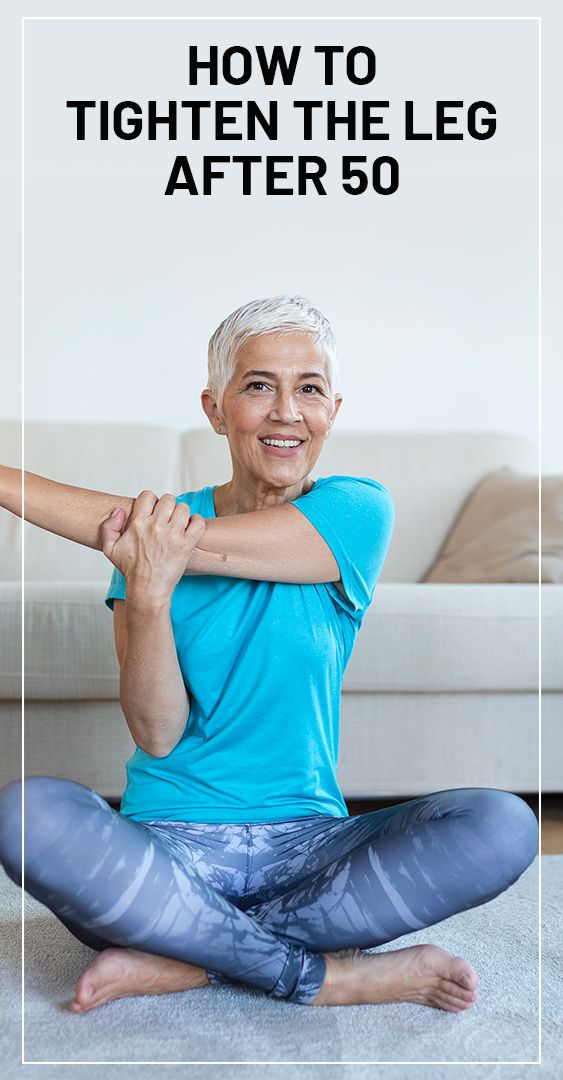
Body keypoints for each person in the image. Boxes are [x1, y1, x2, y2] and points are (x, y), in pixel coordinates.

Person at [0, 295, 538, 1014]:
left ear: (331, 410)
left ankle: (189, 956)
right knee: (28, 814)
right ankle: (323, 974)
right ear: (216, 409)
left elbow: (150, 532)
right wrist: (151, 593)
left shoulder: (353, 511)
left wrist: (130, 538)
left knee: (503, 824)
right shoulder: (147, 546)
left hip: (310, 850)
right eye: (258, 386)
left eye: (308, 389)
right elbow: (157, 734)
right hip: (169, 849)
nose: (286, 410)